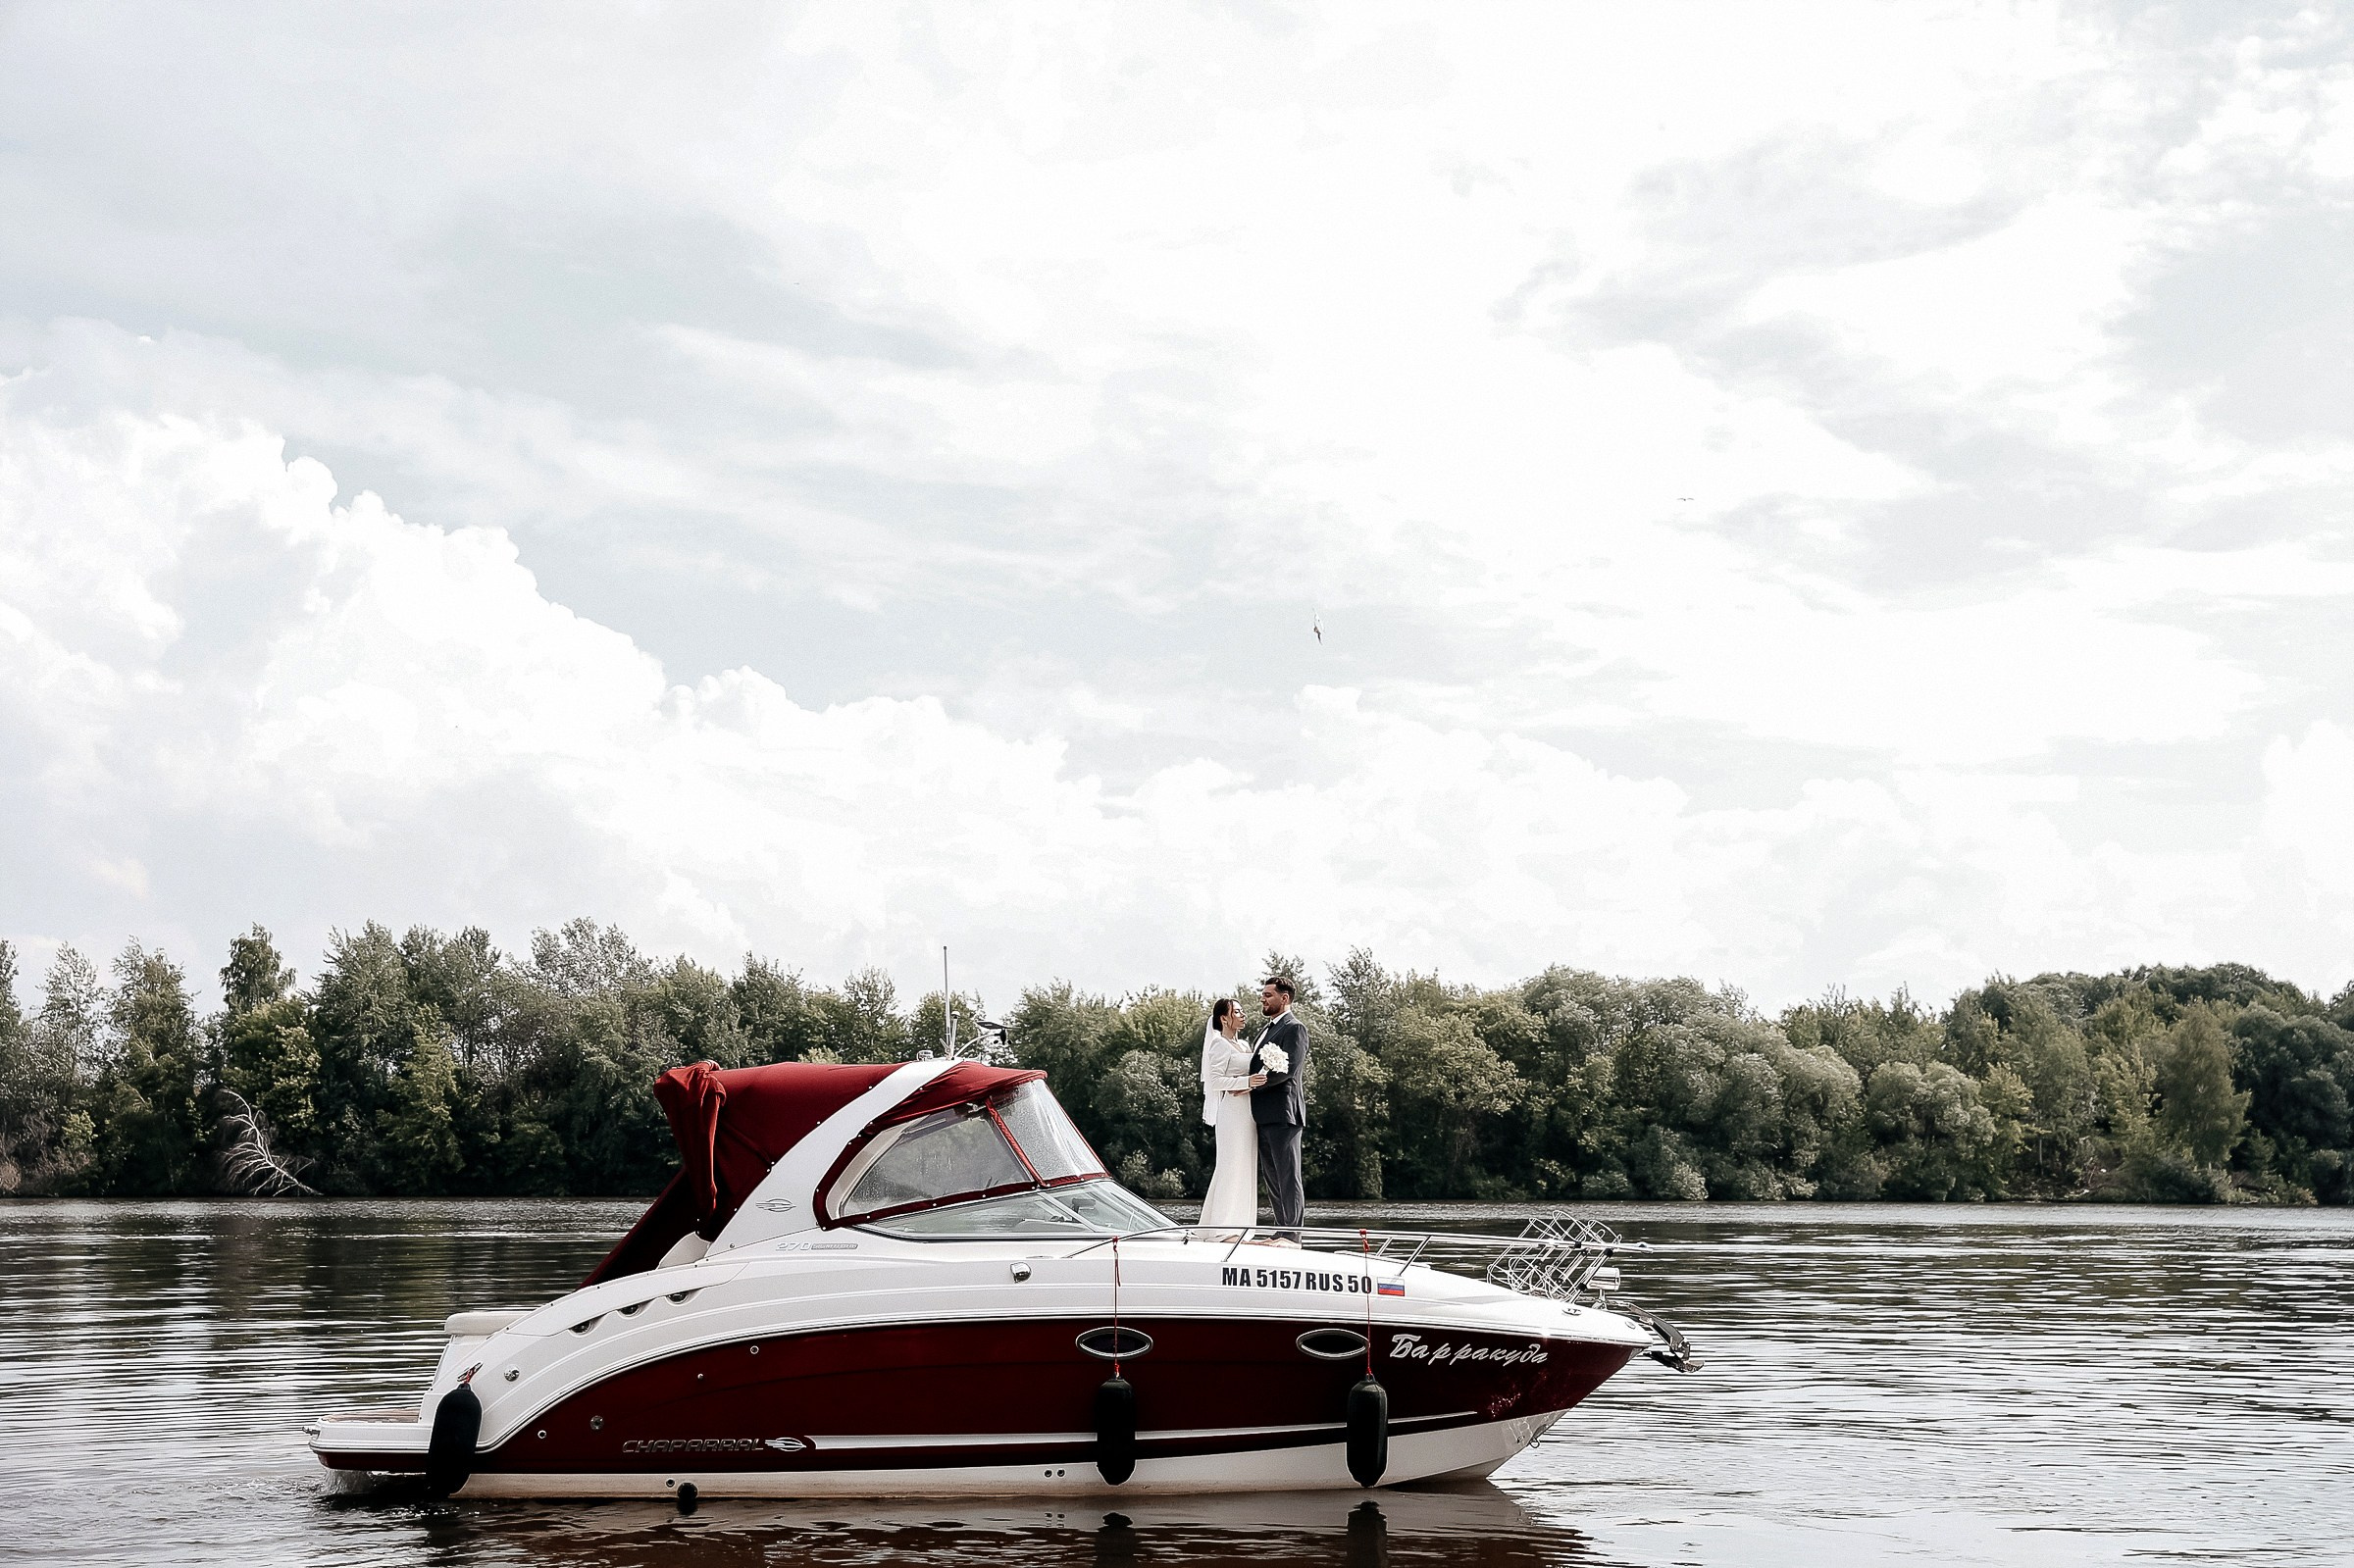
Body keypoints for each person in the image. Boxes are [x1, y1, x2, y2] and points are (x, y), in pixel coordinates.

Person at [1250, 975, 1309, 1241]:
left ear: (1284, 998)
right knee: (1272, 1176)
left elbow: (1288, 1070)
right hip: (1263, 1114)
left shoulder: (1294, 1028)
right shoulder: (1267, 1029)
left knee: (1288, 1175)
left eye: (1268, 995)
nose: (1263, 998)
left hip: (1285, 1113)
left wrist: (1251, 1085)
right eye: (1263, 994)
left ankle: (1293, 1235)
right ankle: (1280, 1230)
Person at [1197, 997, 1263, 1234]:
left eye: (1242, 1011)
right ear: (1224, 1018)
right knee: (1230, 1166)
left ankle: (1242, 1228)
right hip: (1232, 1112)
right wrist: (1246, 1081)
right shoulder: (1219, 1045)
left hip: (1249, 1113)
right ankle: (1220, 1229)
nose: (1243, 1014)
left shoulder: (1245, 1046)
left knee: (1245, 1168)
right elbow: (1214, 1081)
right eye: (1237, 1011)